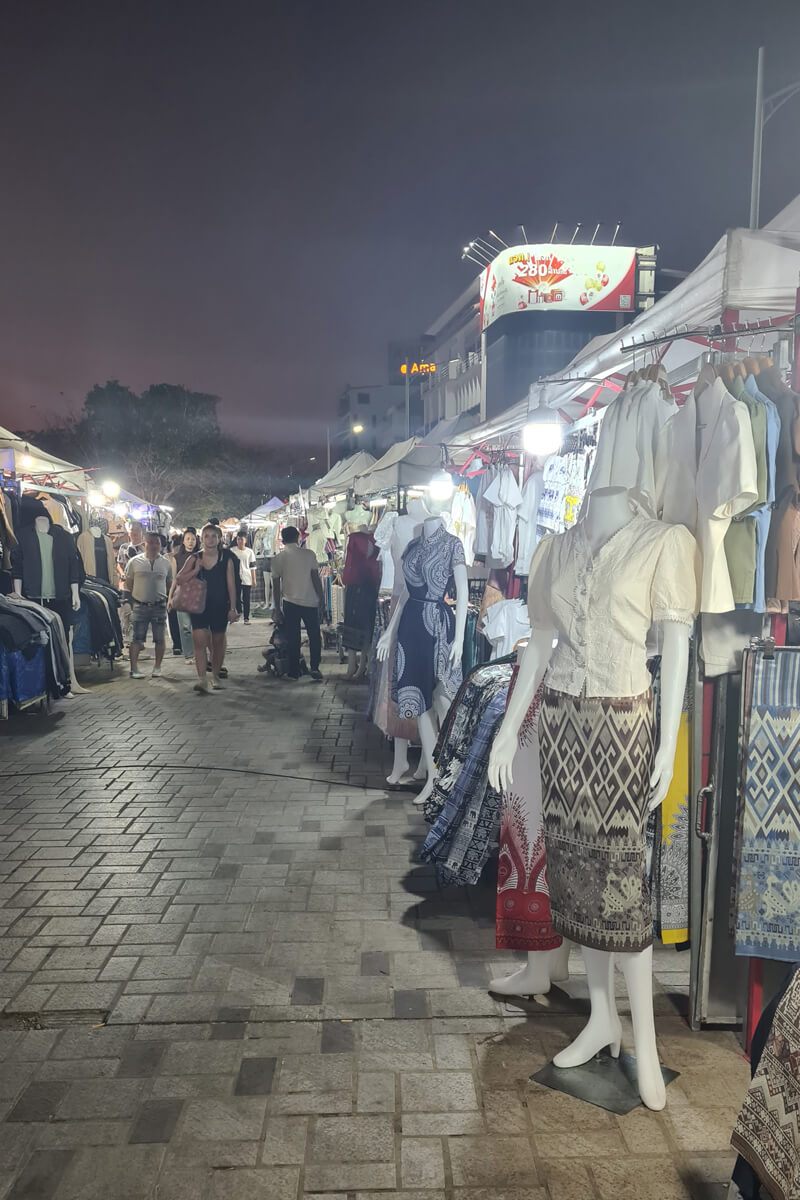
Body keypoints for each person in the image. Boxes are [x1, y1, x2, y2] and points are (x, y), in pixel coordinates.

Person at [175, 522, 238, 694]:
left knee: (217, 643)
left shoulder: (226, 558)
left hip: (219, 606)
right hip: (198, 606)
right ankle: (202, 678)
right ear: (201, 539)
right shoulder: (194, 557)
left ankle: (215, 675)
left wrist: (233, 608)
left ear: (219, 539)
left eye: (213, 536)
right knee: (199, 642)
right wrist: (196, 570)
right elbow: (179, 579)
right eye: (206, 536)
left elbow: (231, 584)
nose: (210, 539)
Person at [271, 525, 324, 682]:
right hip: (310, 601)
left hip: (290, 602)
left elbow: (276, 586)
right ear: (298, 537)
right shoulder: (309, 555)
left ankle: (294, 670)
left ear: (282, 539)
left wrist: (277, 608)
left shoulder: (278, 559)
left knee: (293, 636)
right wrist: (321, 598)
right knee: (314, 635)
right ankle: (315, 667)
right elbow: (316, 578)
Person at [124, 529, 174, 679]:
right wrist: (138, 596)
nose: (153, 546)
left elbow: (169, 583)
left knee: (160, 638)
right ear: (144, 544)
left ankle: (157, 667)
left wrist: (166, 599)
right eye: (150, 542)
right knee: (136, 639)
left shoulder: (165, 563)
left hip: (159, 605)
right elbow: (129, 583)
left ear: (160, 545)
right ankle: (134, 669)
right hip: (140, 605)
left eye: (156, 543)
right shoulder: (134, 562)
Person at [167, 528, 199, 662]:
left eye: (193, 539)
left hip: (198, 595)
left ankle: (200, 652)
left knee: (198, 627)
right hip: (181, 595)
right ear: (183, 541)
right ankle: (189, 655)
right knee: (185, 627)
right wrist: (170, 598)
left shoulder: (202, 556)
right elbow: (174, 579)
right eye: (188, 539)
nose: (190, 542)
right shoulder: (176, 558)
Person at [231, 533, 257, 623]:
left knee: (246, 598)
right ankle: (238, 613)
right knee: (236, 597)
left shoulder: (250, 552)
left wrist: (254, 580)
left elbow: (252, 567)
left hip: (247, 577)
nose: (240, 541)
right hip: (235, 578)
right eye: (238, 539)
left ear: (245, 540)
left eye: (242, 539)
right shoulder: (232, 551)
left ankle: (246, 617)